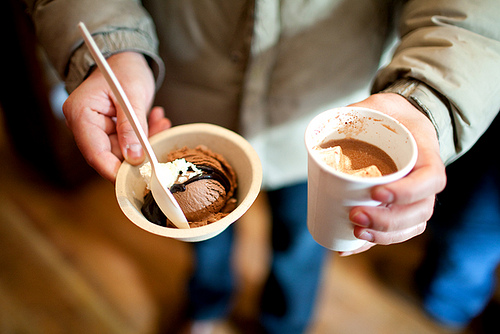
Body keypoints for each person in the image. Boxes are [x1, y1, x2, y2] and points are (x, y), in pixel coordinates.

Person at [25, 0, 500, 333]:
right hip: (187, 103)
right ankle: (207, 304)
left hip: (324, 131)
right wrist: (108, 44)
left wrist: (430, 98)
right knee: (205, 241)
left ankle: (285, 323)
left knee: (300, 245)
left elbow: (473, 15)